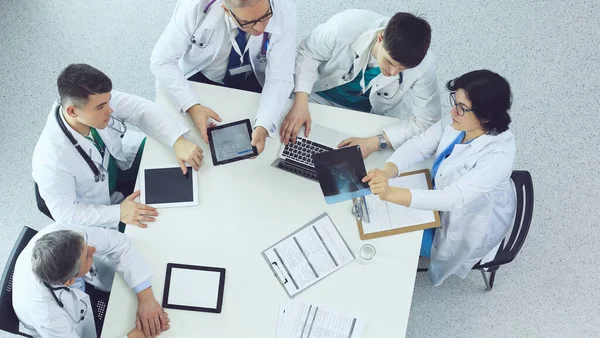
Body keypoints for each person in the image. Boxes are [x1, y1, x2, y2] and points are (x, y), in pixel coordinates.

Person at [363, 70, 516, 286]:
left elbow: (452, 198)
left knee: (391, 236)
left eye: (462, 108)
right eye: (455, 101)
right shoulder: (459, 121)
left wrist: (390, 193)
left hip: (465, 223)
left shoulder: (498, 157)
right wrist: (387, 171)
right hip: (440, 198)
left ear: (486, 117)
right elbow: (420, 145)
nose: (453, 110)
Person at [32, 64, 203, 229]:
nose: (110, 111)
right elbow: (66, 213)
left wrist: (177, 139)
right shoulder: (50, 160)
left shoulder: (95, 100)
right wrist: (118, 213)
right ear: (72, 112)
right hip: (101, 206)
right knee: (158, 225)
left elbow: (140, 108)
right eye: (101, 107)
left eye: (109, 102)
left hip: (119, 161)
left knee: (170, 157)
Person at [280, 9, 441, 159]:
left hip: (369, 117)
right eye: (390, 62)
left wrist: (375, 142)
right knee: (292, 148)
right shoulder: (343, 27)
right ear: (380, 38)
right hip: (317, 98)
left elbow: (427, 121)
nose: (393, 72)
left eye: (402, 69)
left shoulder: (423, 65)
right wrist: (300, 103)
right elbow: (308, 53)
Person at [151, 0, 297, 155]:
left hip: (253, 73)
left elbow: (280, 74)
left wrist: (264, 125)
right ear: (226, 10)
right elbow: (162, 61)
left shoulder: (284, 6)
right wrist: (192, 106)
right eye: (248, 23)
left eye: (266, 16)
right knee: (195, 139)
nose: (260, 28)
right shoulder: (194, 7)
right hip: (204, 73)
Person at [12, 223, 169, 338]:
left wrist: (146, 297)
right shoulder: (46, 315)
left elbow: (119, 243)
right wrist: (136, 336)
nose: (93, 249)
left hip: (80, 283)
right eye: (87, 255)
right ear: (70, 281)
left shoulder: (65, 235)